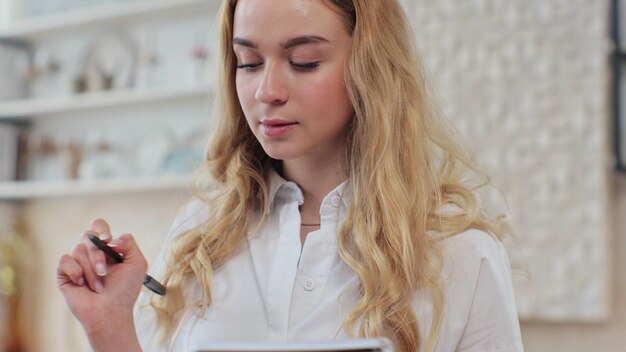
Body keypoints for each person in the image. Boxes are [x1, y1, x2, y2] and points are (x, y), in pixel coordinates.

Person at [56, 0, 524, 351]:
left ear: (371, 67)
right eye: (249, 63)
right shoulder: (198, 235)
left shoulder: (460, 253)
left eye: (304, 62)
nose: (267, 91)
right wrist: (110, 327)